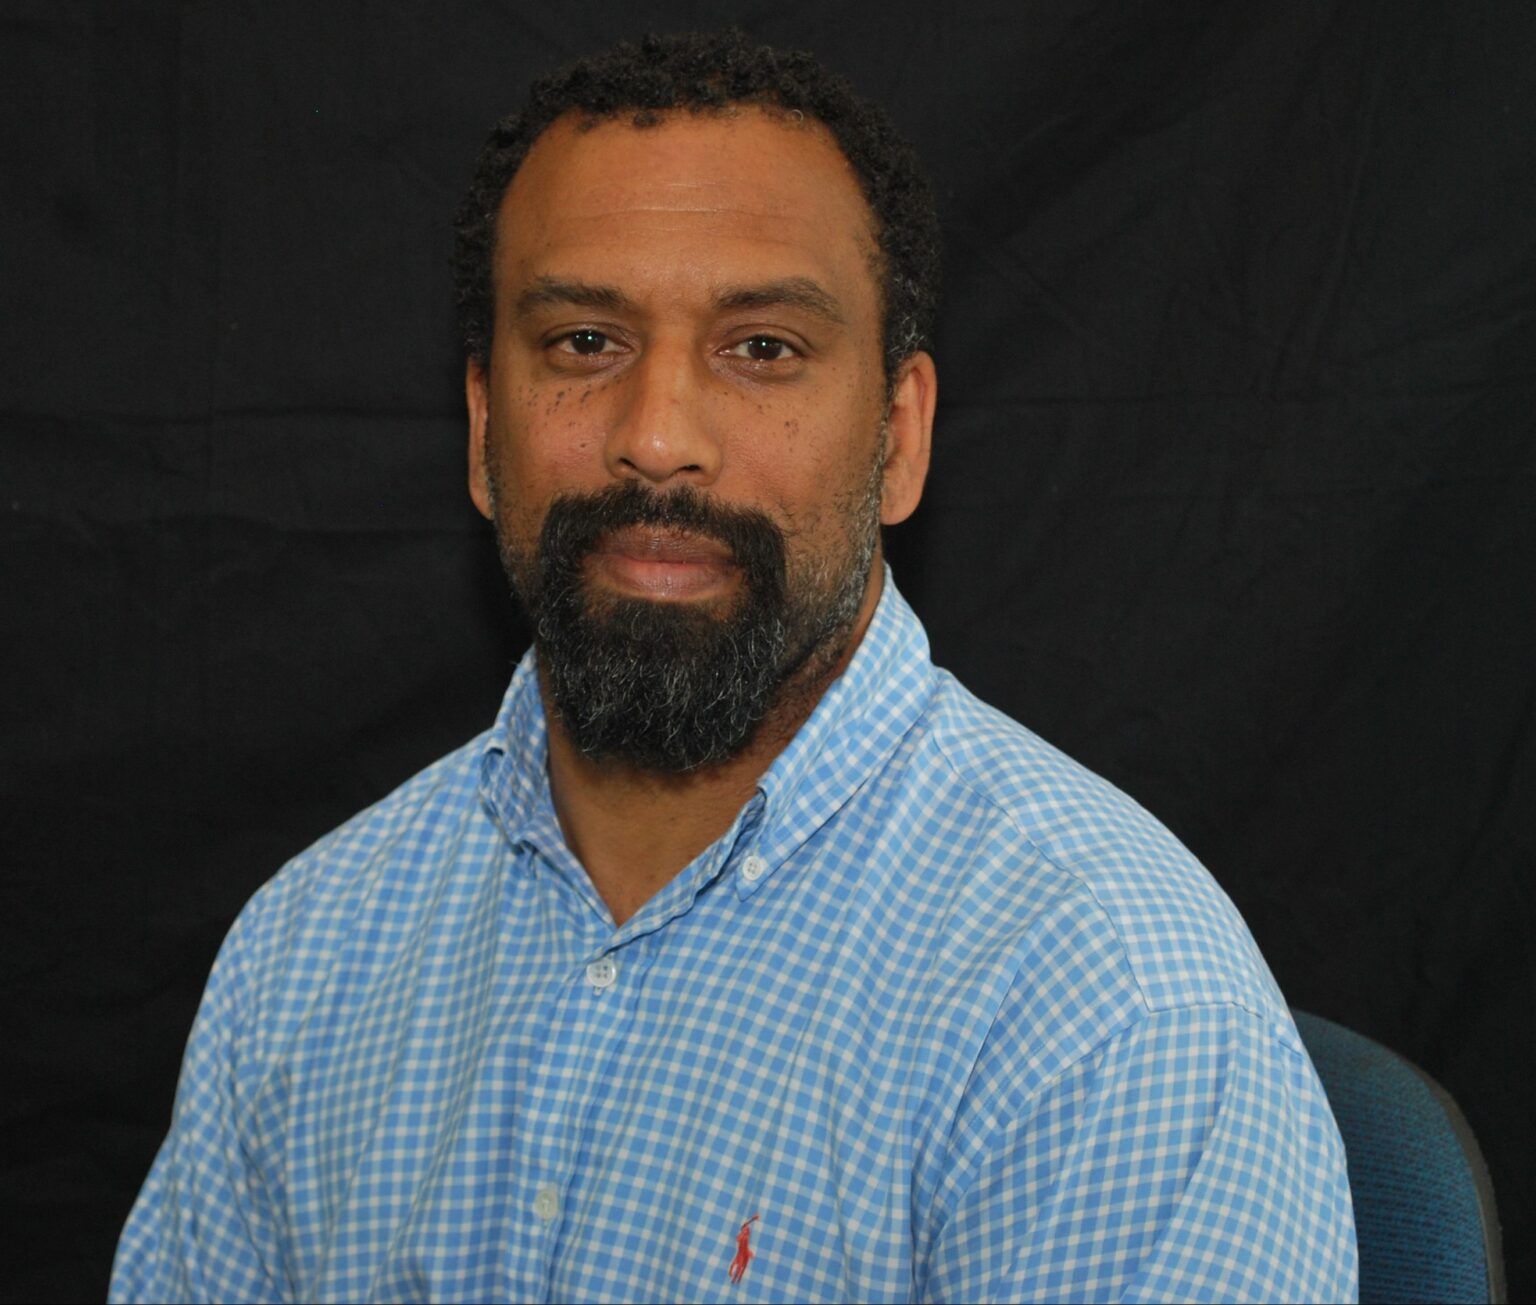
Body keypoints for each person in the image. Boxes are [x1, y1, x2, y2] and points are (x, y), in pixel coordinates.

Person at [111, 31, 1357, 1304]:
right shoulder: (309, 951)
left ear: (899, 437)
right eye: (584, 341)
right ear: (484, 431)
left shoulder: (1108, 1008)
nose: (658, 438)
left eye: (762, 347)